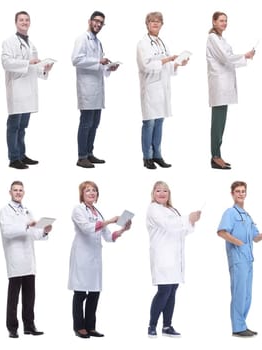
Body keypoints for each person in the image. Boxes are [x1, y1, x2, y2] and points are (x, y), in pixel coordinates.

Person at [68, 181, 131, 338]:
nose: (91, 193)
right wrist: (109, 221)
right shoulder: (78, 210)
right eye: (88, 190)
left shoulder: (97, 212)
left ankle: (90, 327)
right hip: (82, 256)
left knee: (95, 293)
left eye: (94, 190)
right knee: (80, 293)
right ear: (82, 194)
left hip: (95, 258)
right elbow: (87, 228)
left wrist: (122, 229)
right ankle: (78, 327)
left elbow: (108, 236)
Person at [217, 181, 262, 337]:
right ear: (232, 194)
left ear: (246, 193)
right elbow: (221, 232)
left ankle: (242, 324)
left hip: (249, 259)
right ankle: (237, 327)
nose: (240, 193)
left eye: (243, 191)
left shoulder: (247, 216)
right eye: (237, 191)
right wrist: (238, 243)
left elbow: (256, 238)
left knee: (246, 294)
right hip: (238, 258)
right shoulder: (230, 213)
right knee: (239, 292)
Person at [146, 181, 201, 338]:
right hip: (162, 256)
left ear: (169, 194)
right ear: (153, 193)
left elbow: (181, 231)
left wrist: (191, 221)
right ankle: (152, 326)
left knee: (172, 291)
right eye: (158, 190)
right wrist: (187, 218)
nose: (162, 193)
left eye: (165, 191)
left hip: (176, 258)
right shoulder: (153, 209)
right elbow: (167, 225)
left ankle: (167, 326)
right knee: (163, 291)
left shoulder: (172, 210)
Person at [0, 180, 52, 338]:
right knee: (13, 298)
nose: (18, 193)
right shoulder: (5, 211)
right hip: (15, 258)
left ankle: (29, 325)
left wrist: (45, 231)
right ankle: (12, 328)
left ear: (24, 192)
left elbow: (34, 234)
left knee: (30, 296)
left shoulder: (27, 211)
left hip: (29, 260)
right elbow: (7, 231)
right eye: (15, 190)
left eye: (20, 190)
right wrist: (27, 226)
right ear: (10, 192)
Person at [2, 11, 53, 170]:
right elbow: (6, 62)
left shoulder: (32, 44)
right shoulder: (9, 42)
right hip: (17, 90)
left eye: (27, 20)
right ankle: (14, 158)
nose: (24, 22)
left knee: (23, 127)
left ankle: (22, 155)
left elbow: (34, 67)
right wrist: (28, 62)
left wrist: (45, 68)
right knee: (14, 126)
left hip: (29, 91)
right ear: (16, 22)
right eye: (21, 20)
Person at [137, 12, 189, 170]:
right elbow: (145, 66)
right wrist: (167, 59)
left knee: (159, 122)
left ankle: (157, 155)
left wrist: (178, 63)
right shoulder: (143, 43)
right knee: (149, 123)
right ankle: (147, 157)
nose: (155, 24)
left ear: (162, 24)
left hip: (162, 90)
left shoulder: (161, 42)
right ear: (147, 24)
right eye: (152, 21)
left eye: (158, 21)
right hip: (151, 89)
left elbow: (166, 66)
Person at [206, 12, 255, 170]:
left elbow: (229, 57)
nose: (224, 23)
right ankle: (215, 156)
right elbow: (226, 57)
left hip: (225, 85)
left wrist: (243, 57)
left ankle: (218, 154)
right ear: (214, 22)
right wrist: (244, 56)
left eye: (226, 21)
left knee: (221, 123)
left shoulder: (221, 39)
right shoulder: (212, 38)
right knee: (217, 123)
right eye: (221, 20)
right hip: (219, 85)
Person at [72, 11, 119, 168]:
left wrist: (108, 67)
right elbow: (76, 60)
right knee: (86, 123)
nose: (98, 25)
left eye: (101, 23)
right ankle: (81, 156)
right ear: (89, 21)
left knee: (94, 123)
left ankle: (90, 153)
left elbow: (99, 65)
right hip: (86, 88)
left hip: (97, 89)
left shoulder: (98, 42)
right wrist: (99, 60)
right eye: (96, 21)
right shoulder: (82, 39)